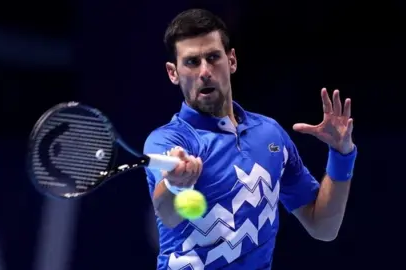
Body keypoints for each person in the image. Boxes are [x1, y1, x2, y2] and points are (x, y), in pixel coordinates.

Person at [143, 8, 357, 270]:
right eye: (191, 62)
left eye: (213, 58)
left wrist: (341, 155)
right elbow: (167, 214)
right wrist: (176, 184)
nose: (205, 71)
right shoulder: (167, 141)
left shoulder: (270, 135)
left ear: (231, 60)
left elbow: (323, 227)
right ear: (172, 72)